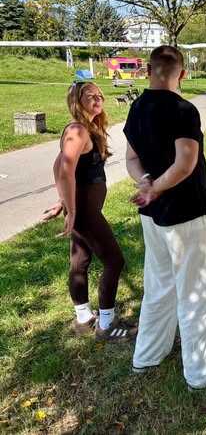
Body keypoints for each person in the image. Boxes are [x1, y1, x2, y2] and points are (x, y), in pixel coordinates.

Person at [123, 45, 206, 390]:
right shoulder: (182, 109)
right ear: (182, 74)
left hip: (154, 216)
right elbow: (185, 164)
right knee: (196, 291)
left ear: (148, 70)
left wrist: (146, 184)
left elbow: (132, 159)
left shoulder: (137, 107)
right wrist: (155, 188)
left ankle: (146, 355)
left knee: (159, 286)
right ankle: (201, 373)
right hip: (187, 214)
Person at [42, 81, 137, 342]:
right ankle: (107, 325)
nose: (96, 98)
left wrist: (62, 202)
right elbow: (63, 170)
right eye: (89, 95)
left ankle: (84, 319)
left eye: (99, 94)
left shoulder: (87, 128)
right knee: (114, 260)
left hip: (81, 206)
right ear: (76, 101)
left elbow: (60, 167)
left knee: (80, 259)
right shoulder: (77, 130)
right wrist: (71, 209)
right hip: (82, 208)